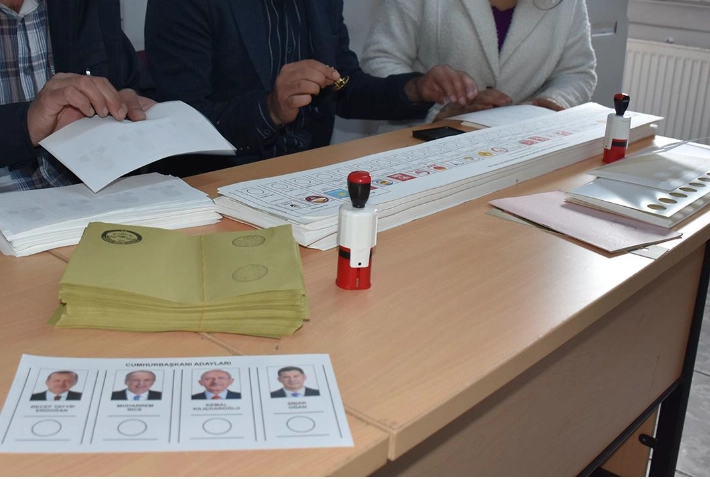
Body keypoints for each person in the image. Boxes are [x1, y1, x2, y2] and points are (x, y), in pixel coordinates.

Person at [144, 0, 478, 175]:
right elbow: (181, 122)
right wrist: (271, 109)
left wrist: (415, 89)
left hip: (309, 175)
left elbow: (344, 86)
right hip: (220, 183)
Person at [0, 0, 154, 192]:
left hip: (92, 193)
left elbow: (128, 80)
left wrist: (125, 98)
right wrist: (24, 125)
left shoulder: (88, 5)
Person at [360, 0, 597, 122]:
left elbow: (577, 73)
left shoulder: (568, 5)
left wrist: (544, 106)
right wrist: (436, 111)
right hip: (423, 150)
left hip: (523, 152)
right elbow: (380, 61)